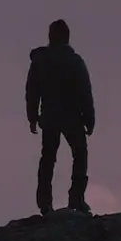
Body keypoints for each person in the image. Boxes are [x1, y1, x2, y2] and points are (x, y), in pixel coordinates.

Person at [25, 18, 94, 215]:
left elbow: (32, 91)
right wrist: (89, 119)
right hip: (71, 117)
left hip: (50, 117)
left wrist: (32, 116)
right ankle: (76, 199)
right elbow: (84, 92)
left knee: (48, 158)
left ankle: (46, 203)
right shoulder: (74, 62)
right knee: (78, 154)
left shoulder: (41, 61)